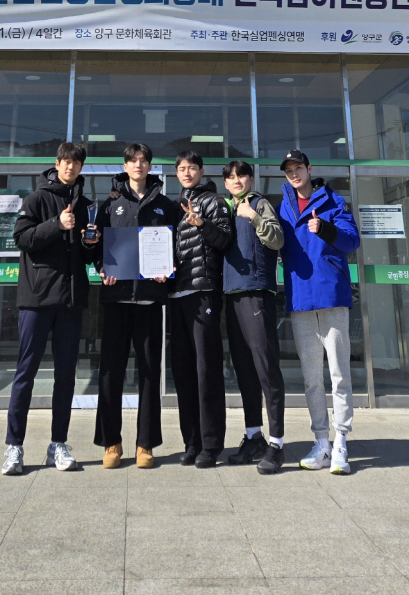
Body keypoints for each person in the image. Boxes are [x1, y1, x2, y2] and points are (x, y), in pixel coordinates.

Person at [1, 141, 97, 476]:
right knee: (25, 374)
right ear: (57, 164)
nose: (70, 167)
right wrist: (56, 224)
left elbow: (85, 254)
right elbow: (22, 238)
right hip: (37, 299)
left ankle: (58, 442)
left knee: (65, 377)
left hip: (70, 301)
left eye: (76, 163)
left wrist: (91, 245)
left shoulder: (85, 204)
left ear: (82, 167)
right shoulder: (37, 198)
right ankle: (14, 446)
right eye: (66, 162)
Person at [93, 143, 179, 469]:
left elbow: (175, 248)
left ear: (150, 166)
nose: (138, 165)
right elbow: (95, 244)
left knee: (148, 374)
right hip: (116, 300)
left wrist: (168, 272)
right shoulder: (111, 204)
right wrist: (102, 268)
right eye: (133, 161)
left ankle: (146, 444)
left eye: (144, 161)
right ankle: (111, 442)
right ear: (125, 165)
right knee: (110, 373)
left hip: (149, 301)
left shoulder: (164, 205)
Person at [277, 149, 360, 475]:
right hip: (299, 301)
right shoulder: (283, 206)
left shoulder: (333, 202)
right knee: (312, 379)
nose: (294, 174)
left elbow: (352, 241)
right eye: (289, 170)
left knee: (340, 375)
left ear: (310, 169)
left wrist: (325, 229)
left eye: (298, 168)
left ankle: (341, 443)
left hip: (332, 297)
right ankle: (321, 442)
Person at [222, 160, 286, 475]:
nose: (236, 180)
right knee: (245, 371)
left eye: (241, 176)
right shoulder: (226, 209)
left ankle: (277, 444)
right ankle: (253, 436)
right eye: (230, 177)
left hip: (257, 295)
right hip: (232, 297)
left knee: (266, 370)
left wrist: (255, 217)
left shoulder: (259, 204)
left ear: (250, 178)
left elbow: (277, 239)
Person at [170, 150, 231, 469]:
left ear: (201, 170)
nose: (187, 172)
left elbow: (224, 240)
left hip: (204, 292)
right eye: (181, 168)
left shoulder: (213, 202)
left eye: (192, 167)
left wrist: (202, 223)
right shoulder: (176, 205)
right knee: (183, 371)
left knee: (206, 370)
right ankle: (191, 441)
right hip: (177, 295)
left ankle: (211, 444)